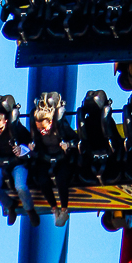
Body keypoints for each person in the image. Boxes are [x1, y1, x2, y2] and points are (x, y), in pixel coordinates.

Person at [0, 106, 40, 226]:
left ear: (6, 121)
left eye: (0, 129)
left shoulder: (16, 129)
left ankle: (29, 209)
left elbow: (29, 142)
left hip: (17, 163)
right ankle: (10, 205)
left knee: (21, 187)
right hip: (0, 163)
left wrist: (24, 149)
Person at [28, 92, 77, 227]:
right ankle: (54, 208)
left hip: (62, 158)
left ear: (50, 122)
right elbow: (34, 145)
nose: (41, 131)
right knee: (42, 179)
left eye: (43, 128)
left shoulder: (60, 126)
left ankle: (64, 210)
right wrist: (32, 147)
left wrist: (68, 145)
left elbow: (75, 139)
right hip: (46, 158)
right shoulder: (37, 131)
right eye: (39, 129)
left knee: (61, 178)